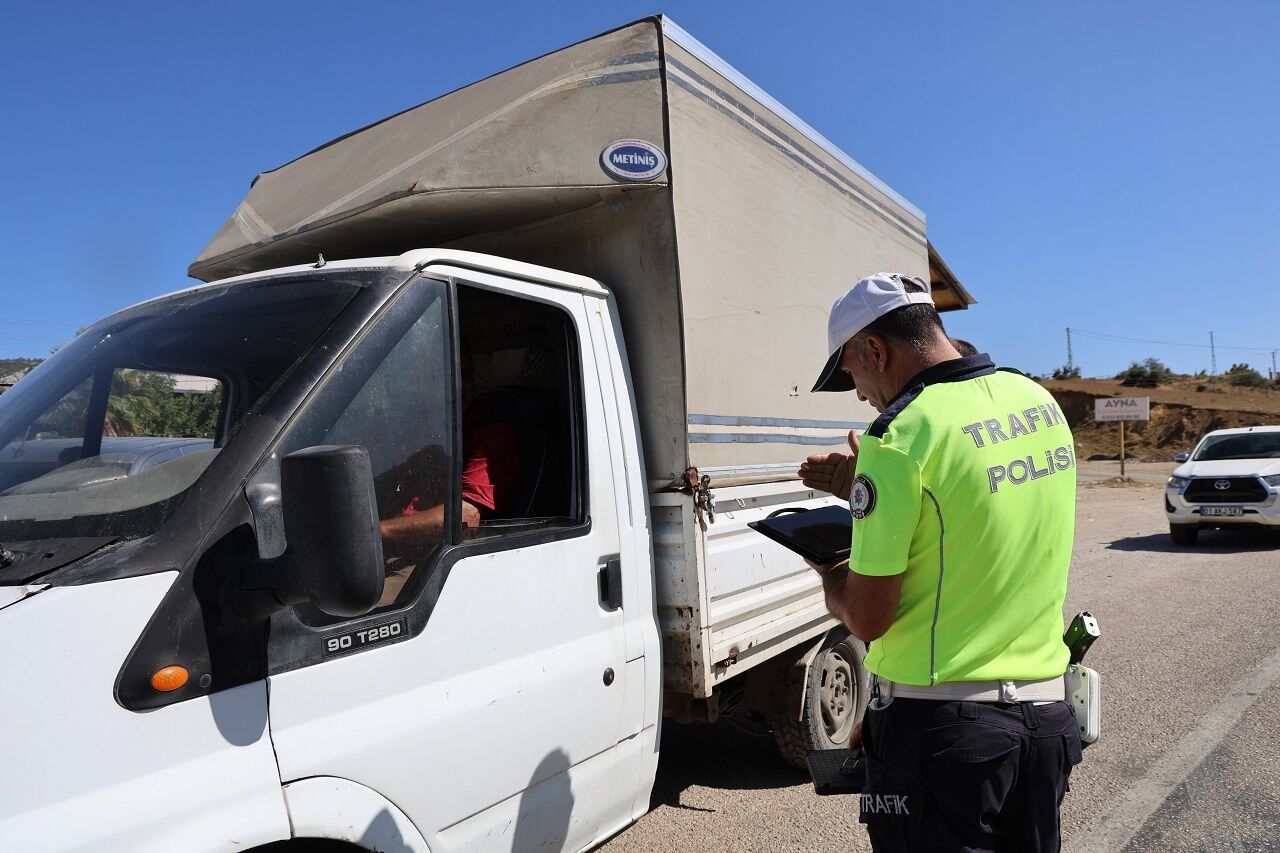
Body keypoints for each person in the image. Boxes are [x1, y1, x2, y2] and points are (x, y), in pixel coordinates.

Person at [804, 272, 1080, 852]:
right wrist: (873, 494)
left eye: (852, 373)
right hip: (1048, 719)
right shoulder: (1038, 403)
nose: (859, 394)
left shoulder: (900, 437)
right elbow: (979, 528)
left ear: (876, 350)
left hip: (944, 737)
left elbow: (869, 617)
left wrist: (830, 571)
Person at [376, 349, 520, 604]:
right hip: (383, 553)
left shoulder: (490, 436)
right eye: (444, 374)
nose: (458, 383)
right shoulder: (429, 439)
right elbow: (378, 485)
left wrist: (377, 532)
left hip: (433, 562)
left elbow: (465, 517)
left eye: (464, 374)